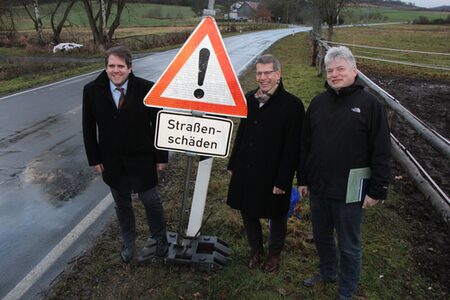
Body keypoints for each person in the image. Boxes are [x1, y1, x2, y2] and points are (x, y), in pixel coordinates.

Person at [297, 46, 391, 299]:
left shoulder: (371, 106)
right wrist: (303, 179)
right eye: (330, 70)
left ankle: (346, 290)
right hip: (319, 187)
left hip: (351, 192)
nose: (335, 74)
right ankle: (328, 272)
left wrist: (378, 190)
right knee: (322, 237)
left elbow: (381, 151)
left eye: (341, 69)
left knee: (349, 245)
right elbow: (305, 144)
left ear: (354, 70)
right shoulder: (318, 103)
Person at [82, 45, 169, 263]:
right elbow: (88, 127)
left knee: (151, 201)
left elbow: (159, 125)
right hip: (112, 161)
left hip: (142, 158)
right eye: (111, 66)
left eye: (120, 66)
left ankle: (160, 239)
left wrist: (161, 157)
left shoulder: (147, 89)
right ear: (106, 67)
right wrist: (95, 158)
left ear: (129, 68)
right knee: (122, 204)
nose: (115, 70)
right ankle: (129, 243)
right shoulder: (92, 90)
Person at [227, 54, 305, 273]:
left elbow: (293, 147)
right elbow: (241, 134)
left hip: (273, 172)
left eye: (267, 73)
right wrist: (233, 164)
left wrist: (283, 179)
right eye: (259, 73)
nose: (262, 78)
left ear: (278, 74)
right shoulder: (250, 99)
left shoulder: (293, 105)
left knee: (276, 214)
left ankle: (274, 254)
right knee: (247, 210)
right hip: (247, 167)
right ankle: (256, 250)